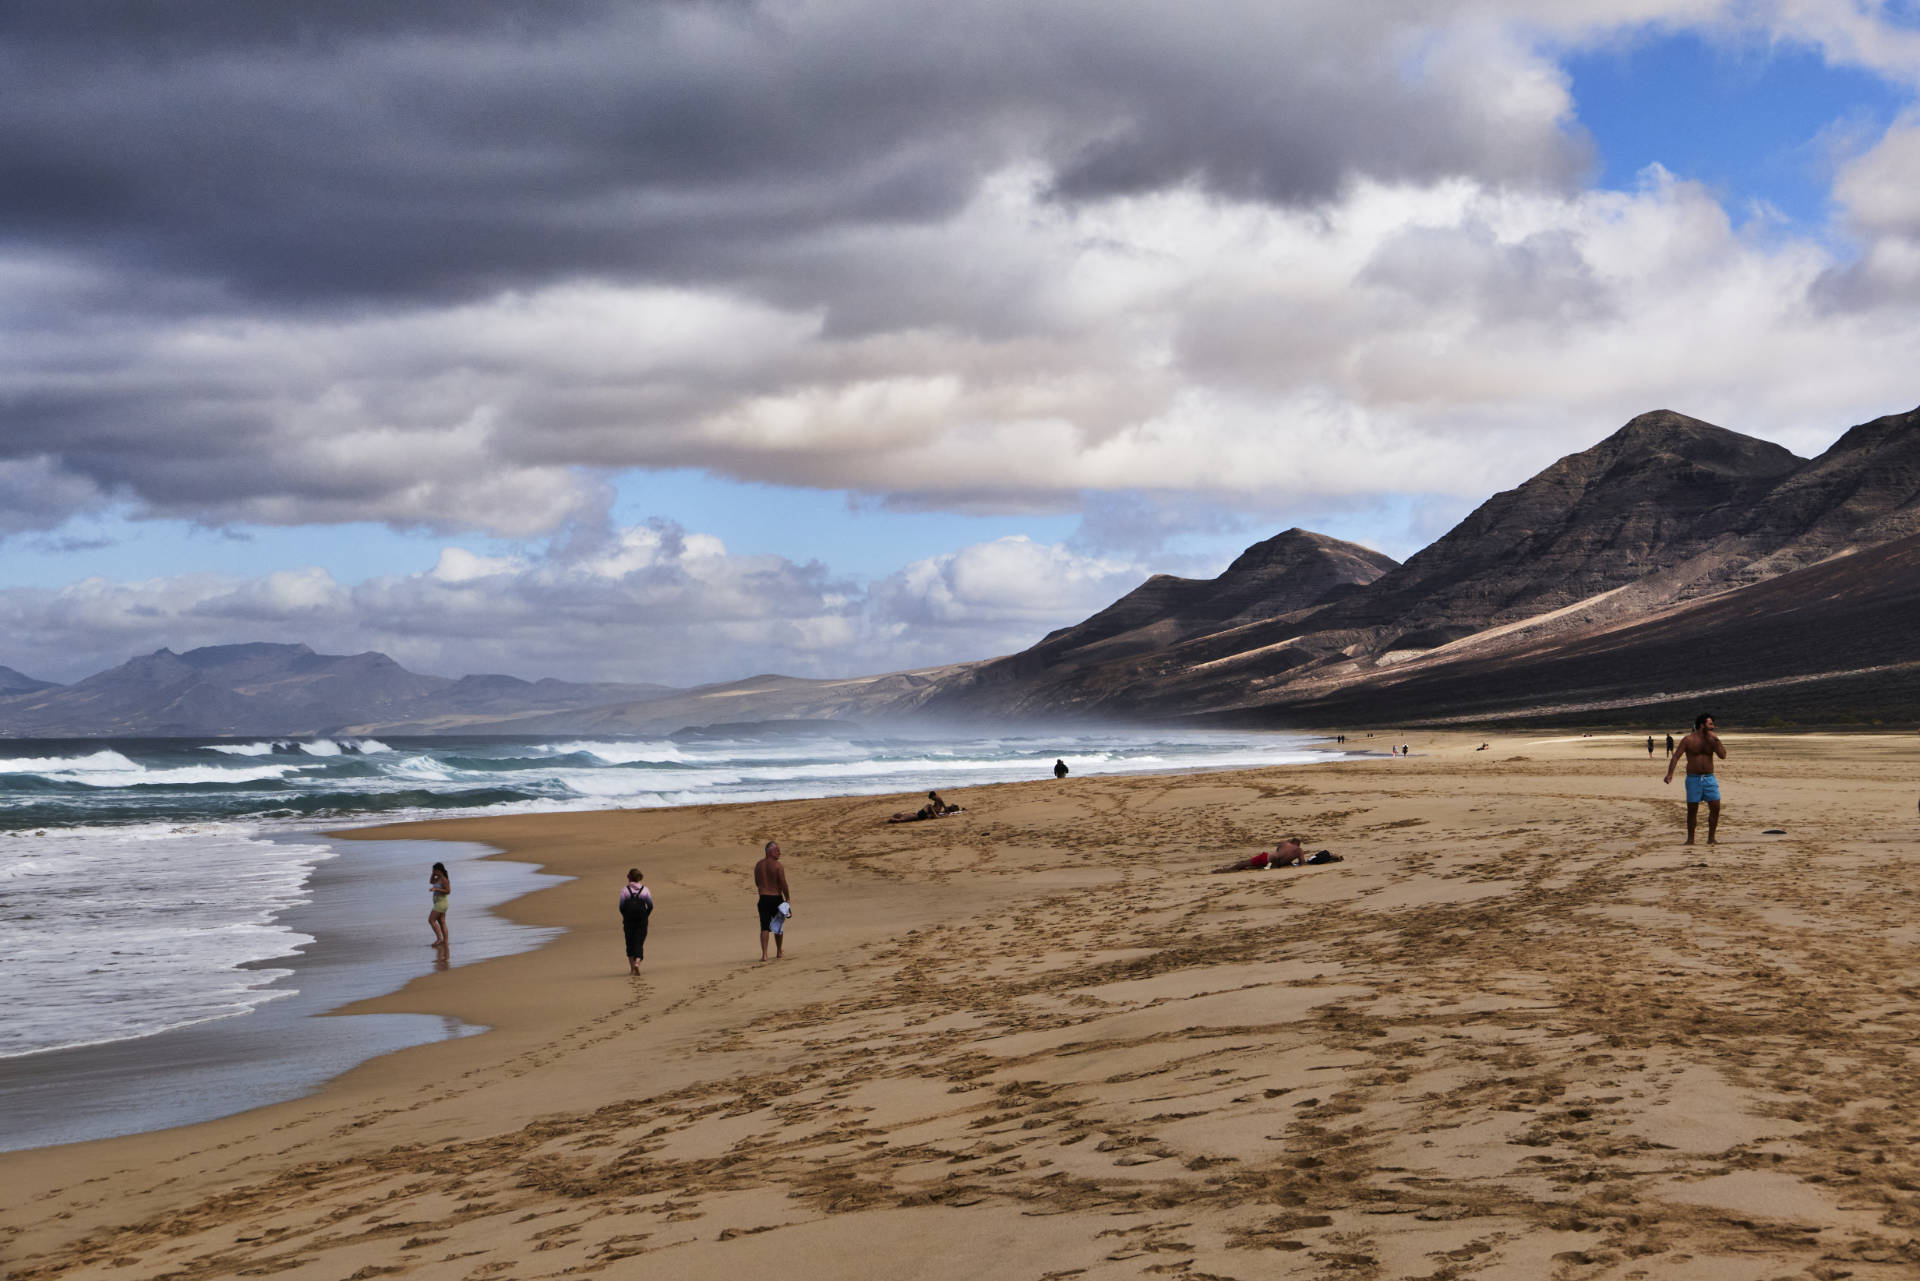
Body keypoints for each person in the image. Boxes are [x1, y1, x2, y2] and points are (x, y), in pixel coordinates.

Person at [1664, 711, 1727, 845]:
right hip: (1693, 779)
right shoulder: (1688, 740)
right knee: (1692, 810)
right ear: (1701, 725)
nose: (1713, 726)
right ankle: (1690, 839)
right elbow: (1676, 757)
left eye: (1713, 724)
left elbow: (1722, 755)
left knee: (1715, 808)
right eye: (1710, 724)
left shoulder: (1712, 740)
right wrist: (1670, 774)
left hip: (1710, 778)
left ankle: (1711, 838)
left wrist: (1717, 740)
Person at [754, 840, 793, 961]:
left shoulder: (758, 865)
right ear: (770, 851)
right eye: (777, 850)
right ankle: (779, 952)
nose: (779, 852)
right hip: (776, 897)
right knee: (778, 926)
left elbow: (757, 882)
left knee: (764, 926)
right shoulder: (777, 865)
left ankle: (764, 955)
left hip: (763, 898)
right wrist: (787, 898)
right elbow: (783, 883)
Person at [619, 868, 654, 975]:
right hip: (641, 920)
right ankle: (637, 963)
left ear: (629, 877)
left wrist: (626, 917)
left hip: (629, 920)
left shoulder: (625, 890)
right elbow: (650, 906)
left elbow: (621, 907)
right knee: (639, 942)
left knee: (629, 943)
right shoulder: (645, 890)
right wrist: (645, 916)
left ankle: (632, 969)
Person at [427, 861, 450, 947]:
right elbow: (431, 881)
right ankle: (445, 941)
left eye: (434, 871)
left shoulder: (444, 879)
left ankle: (439, 939)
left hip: (441, 903)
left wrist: (436, 889)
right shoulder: (438, 878)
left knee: (431, 920)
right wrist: (433, 874)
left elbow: (448, 891)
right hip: (439, 903)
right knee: (442, 922)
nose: (433, 872)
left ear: (439, 870)